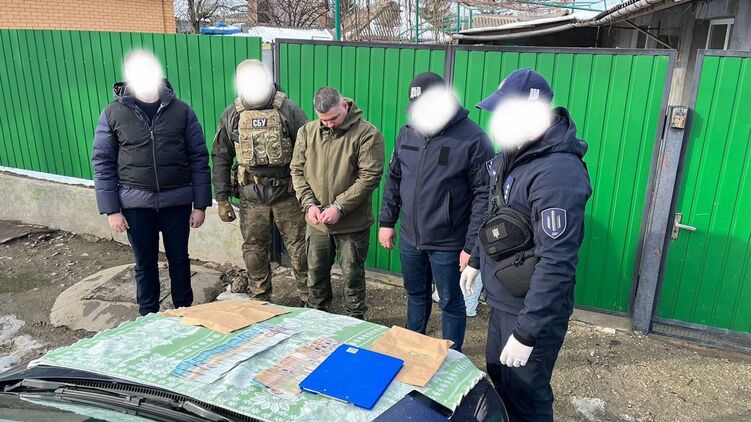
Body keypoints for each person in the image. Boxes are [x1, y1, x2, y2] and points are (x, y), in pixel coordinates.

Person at [461, 68, 592, 420]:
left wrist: (527, 333)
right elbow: (494, 215)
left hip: (531, 310)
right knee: (500, 380)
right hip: (504, 299)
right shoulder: (512, 153)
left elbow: (557, 262)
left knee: (527, 397)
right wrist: (476, 260)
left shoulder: (558, 172)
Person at [378, 73, 493, 351]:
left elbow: (484, 196)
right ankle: (413, 347)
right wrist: (387, 221)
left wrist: (470, 246)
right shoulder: (408, 132)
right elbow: (394, 178)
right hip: (410, 238)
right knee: (416, 295)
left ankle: (451, 357)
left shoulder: (473, 139)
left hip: (449, 243)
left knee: (451, 302)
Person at [92, 50, 211, 316]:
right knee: (144, 264)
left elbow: (198, 158)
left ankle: (184, 312)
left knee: (179, 260)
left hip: (176, 203)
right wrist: (112, 210)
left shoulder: (182, 111)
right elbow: (102, 162)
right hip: (136, 206)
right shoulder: (113, 113)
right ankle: (148, 317)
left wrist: (200, 205)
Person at [211, 59, 309, 304]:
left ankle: (311, 299)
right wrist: (221, 199)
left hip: (288, 194)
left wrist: (311, 196)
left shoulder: (289, 110)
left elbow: (310, 153)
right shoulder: (232, 115)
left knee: (302, 250)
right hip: (251, 195)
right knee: (254, 252)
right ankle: (260, 298)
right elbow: (221, 156)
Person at [290, 87, 385, 320]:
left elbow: (369, 177)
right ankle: (317, 317)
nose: (329, 124)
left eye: (333, 118)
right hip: (317, 222)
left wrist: (339, 207)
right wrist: (309, 204)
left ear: (345, 105)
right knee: (315, 275)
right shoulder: (307, 132)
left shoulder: (367, 134)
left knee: (352, 277)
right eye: (323, 120)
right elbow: (297, 171)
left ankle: (355, 320)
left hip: (352, 223)